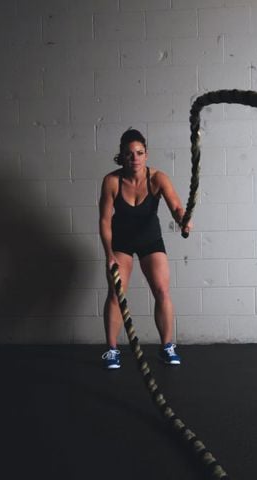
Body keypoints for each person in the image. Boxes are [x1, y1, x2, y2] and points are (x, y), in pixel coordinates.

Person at [98, 128, 192, 369]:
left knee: (162, 290)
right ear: (122, 156)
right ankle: (112, 350)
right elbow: (105, 221)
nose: (135, 158)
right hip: (122, 242)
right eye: (130, 154)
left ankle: (167, 346)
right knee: (116, 293)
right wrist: (109, 254)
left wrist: (183, 219)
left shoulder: (157, 178)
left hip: (150, 240)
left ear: (146, 155)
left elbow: (176, 207)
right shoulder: (111, 181)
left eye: (139, 153)